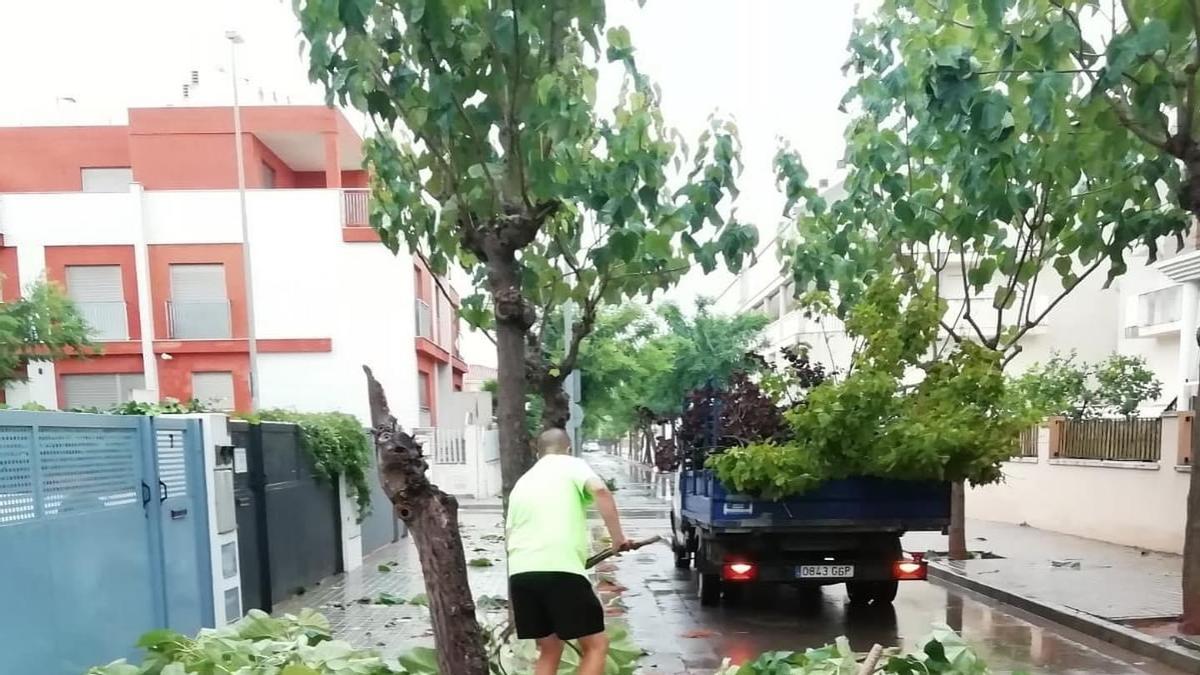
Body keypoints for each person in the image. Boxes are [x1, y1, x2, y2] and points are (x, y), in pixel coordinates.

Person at [506, 428, 629, 675]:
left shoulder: (524, 481)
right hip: (560, 570)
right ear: (568, 449)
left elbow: (510, 533)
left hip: (521, 574)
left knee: (549, 648)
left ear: (536, 451)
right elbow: (600, 490)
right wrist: (618, 539)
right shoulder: (571, 464)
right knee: (596, 645)